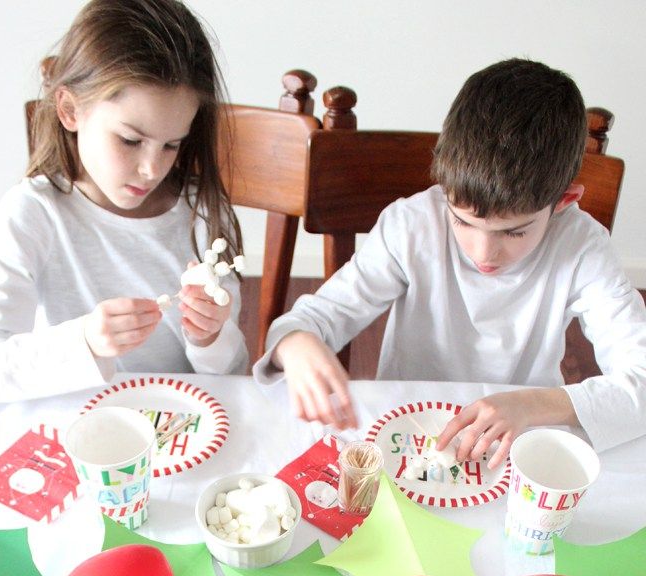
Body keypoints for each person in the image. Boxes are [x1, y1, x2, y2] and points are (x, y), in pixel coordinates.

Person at [253, 59, 646, 467]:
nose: (482, 253)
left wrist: (533, 405)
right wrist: (295, 342)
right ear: (444, 187)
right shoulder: (412, 225)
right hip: (407, 433)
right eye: (462, 221)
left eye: (514, 232)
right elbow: (316, 317)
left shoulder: (582, 247)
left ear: (565, 200)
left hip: (516, 446)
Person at [0, 0, 248, 401]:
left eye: (171, 145)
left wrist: (211, 337)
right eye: (130, 140)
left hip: (182, 428)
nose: (151, 169)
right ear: (70, 110)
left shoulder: (204, 216)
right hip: (71, 423)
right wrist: (85, 341)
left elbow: (233, 377)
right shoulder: (34, 214)